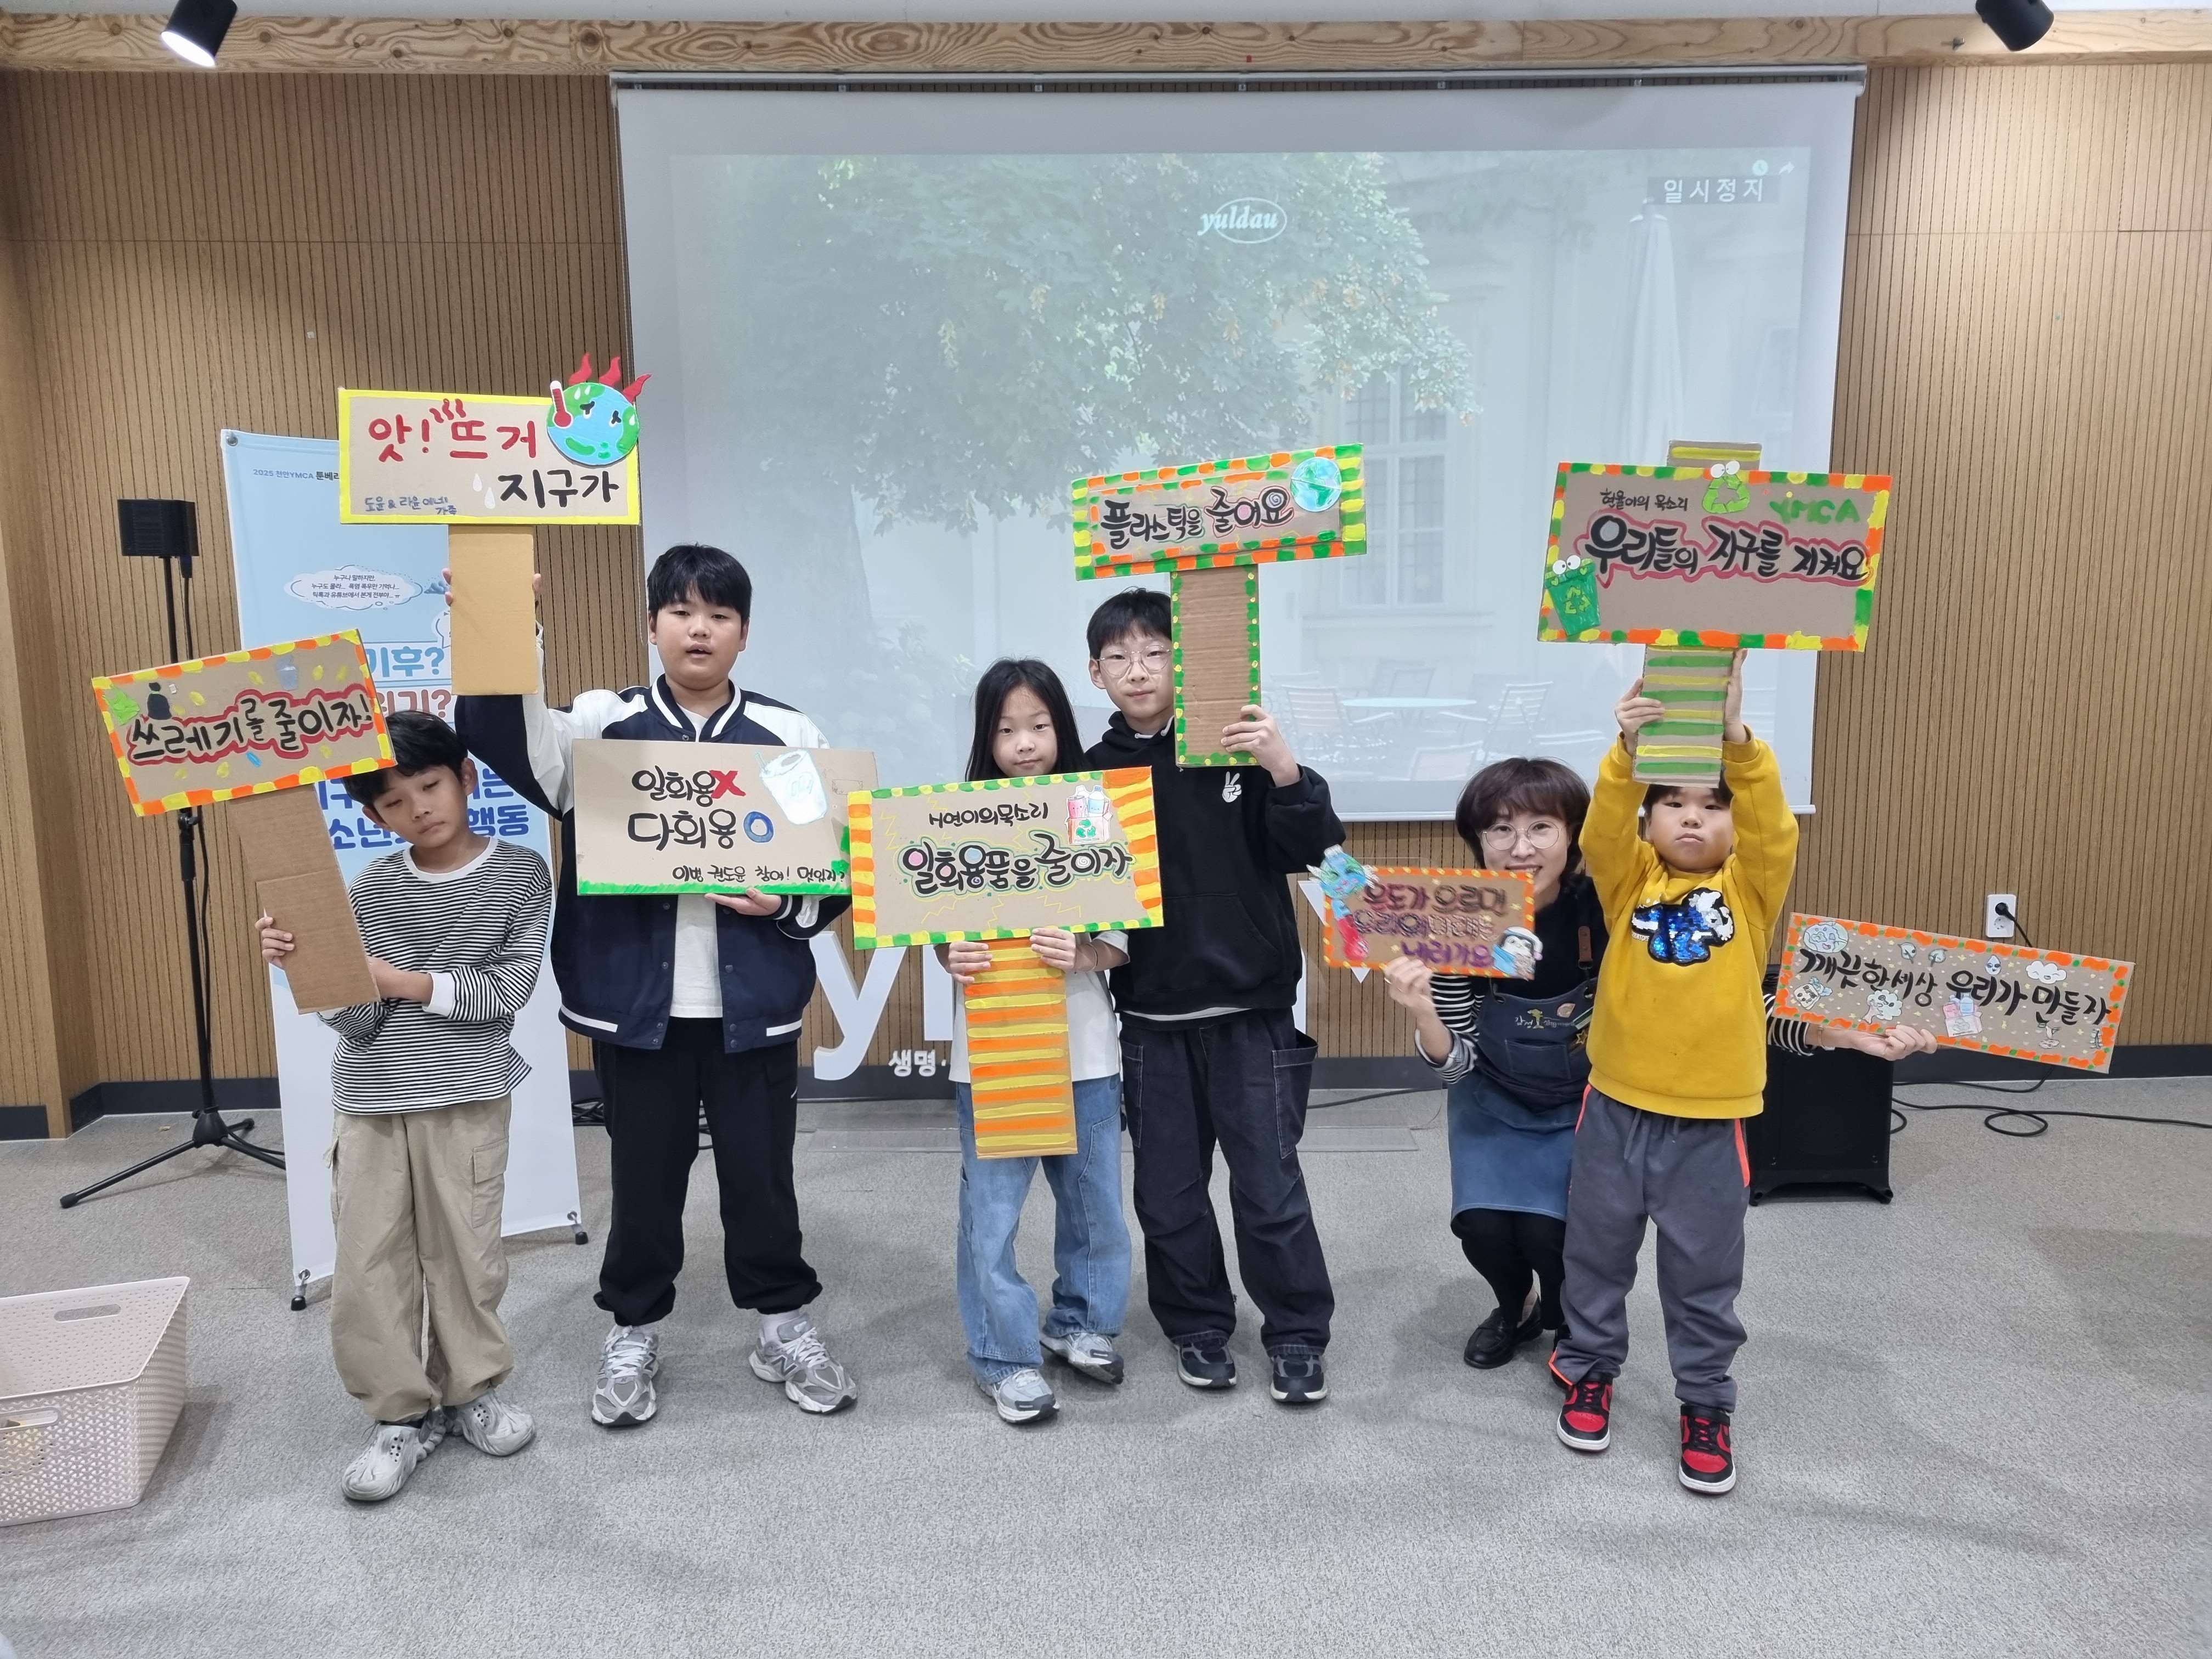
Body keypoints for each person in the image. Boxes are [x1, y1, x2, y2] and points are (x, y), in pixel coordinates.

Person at [454, 544, 857, 1427]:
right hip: (636, 1006)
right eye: (681, 611)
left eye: (719, 614)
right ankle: (634, 1326)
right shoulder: (604, 722)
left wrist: (785, 902)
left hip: (752, 1005)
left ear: (744, 633)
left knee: (762, 1178)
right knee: (642, 1180)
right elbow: (505, 740)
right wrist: (504, 627)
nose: (699, 629)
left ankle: (782, 1323)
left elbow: (835, 863)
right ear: (651, 625)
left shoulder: (790, 736)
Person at [1383, 757, 1933, 1378]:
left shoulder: (1612, 903)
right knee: (1482, 1228)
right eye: (1500, 830)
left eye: (1541, 828)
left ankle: (1570, 1324)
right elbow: (1455, 1065)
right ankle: (1516, 1307)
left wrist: (1838, 1032)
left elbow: (1730, 1002)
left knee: (1551, 1235)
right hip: (1492, 1098)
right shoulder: (1459, 922)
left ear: (1574, 835)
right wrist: (1424, 1012)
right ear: (1477, 841)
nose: (1521, 848)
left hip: (1590, 1098)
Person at [1550, 653, 1934, 1496]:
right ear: (1650, 821)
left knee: (1703, 1273)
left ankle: (1705, 1401)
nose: (1693, 817)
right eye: (1674, 803)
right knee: (1597, 1254)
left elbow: (1771, 830)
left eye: (1712, 805)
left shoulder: (1752, 892)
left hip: (1711, 1122)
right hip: (1615, 1108)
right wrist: (1626, 752)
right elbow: (1602, 833)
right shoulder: (1628, 883)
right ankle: (1588, 1366)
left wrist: (1737, 742)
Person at [257, 710, 552, 1502]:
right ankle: (398, 1415)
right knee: (368, 1262)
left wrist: (402, 982)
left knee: (468, 1254)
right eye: (394, 801)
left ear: (466, 778)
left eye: (430, 785)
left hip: (469, 1096)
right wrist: (308, 965)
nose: (418, 807)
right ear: (373, 815)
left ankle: (472, 1393)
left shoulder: (521, 873)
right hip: (372, 1100)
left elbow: (504, 994)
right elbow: (358, 1020)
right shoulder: (370, 890)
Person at [1082, 588, 1343, 1407]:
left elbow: (1313, 850)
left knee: (1270, 1187)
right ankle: (1197, 1325)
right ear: (1095, 673)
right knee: (1168, 1195)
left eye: (1155, 653)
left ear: (1183, 661)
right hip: (1149, 1018)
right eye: (1119, 657)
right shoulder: (1089, 775)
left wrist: (1282, 766)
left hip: (1251, 1013)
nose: (1138, 670)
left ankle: (1296, 1332)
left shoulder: (1237, 748)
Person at [934, 659, 1133, 1425]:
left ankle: (1080, 1321)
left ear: (1063, 730)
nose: (1025, 743)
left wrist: (1083, 953)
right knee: (992, 1214)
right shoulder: (956, 821)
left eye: (1040, 726)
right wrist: (950, 953)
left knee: (1094, 1204)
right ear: (986, 739)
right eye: (1007, 729)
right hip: (995, 1051)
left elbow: (1119, 943)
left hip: (1086, 1049)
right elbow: (938, 933)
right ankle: (1002, 1355)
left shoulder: (1095, 814)